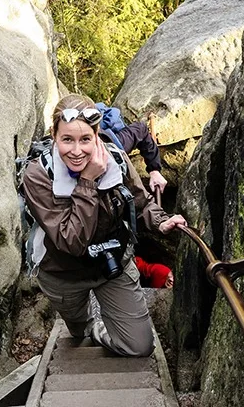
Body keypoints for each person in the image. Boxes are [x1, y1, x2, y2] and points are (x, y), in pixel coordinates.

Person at [21, 94, 187, 357]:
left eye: (85, 139)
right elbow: (70, 242)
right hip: (63, 272)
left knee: (139, 346)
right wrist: (87, 181)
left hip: (112, 263)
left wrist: (161, 221)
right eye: (67, 140)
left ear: (97, 134)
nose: (76, 151)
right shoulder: (37, 175)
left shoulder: (115, 158)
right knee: (78, 330)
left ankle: (98, 331)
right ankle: (89, 327)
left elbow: (140, 202)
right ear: (54, 135)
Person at [95, 103, 167, 196]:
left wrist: (154, 170)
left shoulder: (116, 142)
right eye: (69, 139)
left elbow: (141, 130)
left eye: (85, 139)